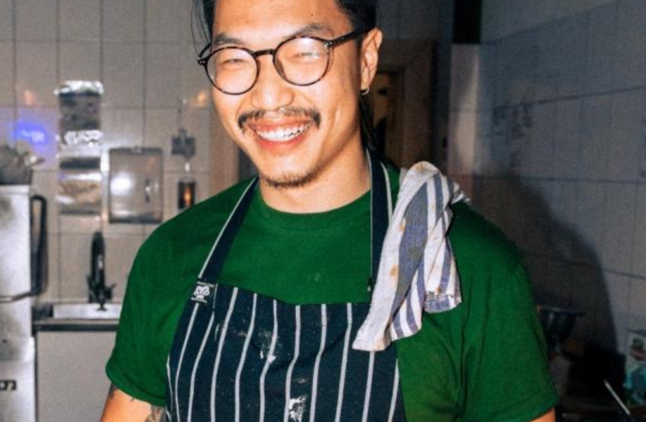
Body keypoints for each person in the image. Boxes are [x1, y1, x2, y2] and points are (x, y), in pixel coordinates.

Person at [99, 0, 558, 421]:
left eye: (304, 50)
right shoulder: (174, 254)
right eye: (236, 58)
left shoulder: (470, 265)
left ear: (366, 60)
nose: (269, 97)